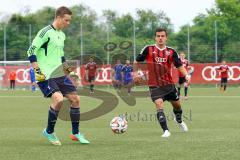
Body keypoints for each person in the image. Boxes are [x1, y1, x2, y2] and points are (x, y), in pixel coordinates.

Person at [27, 6, 90, 146]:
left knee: (75, 99)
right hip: (45, 74)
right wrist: (37, 71)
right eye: (67, 20)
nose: (68, 23)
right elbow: (31, 51)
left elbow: (61, 57)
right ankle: (49, 131)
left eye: (69, 21)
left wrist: (69, 71)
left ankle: (75, 133)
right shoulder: (45, 32)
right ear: (59, 18)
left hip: (59, 74)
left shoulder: (62, 35)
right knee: (58, 99)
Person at [135, 28, 189, 138]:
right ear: (155, 37)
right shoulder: (148, 49)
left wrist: (187, 75)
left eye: (162, 36)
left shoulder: (171, 52)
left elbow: (179, 66)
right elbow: (137, 61)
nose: (160, 38)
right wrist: (136, 73)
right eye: (158, 36)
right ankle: (166, 130)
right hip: (154, 85)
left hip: (169, 85)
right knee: (159, 104)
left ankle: (179, 120)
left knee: (177, 105)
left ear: (166, 38)